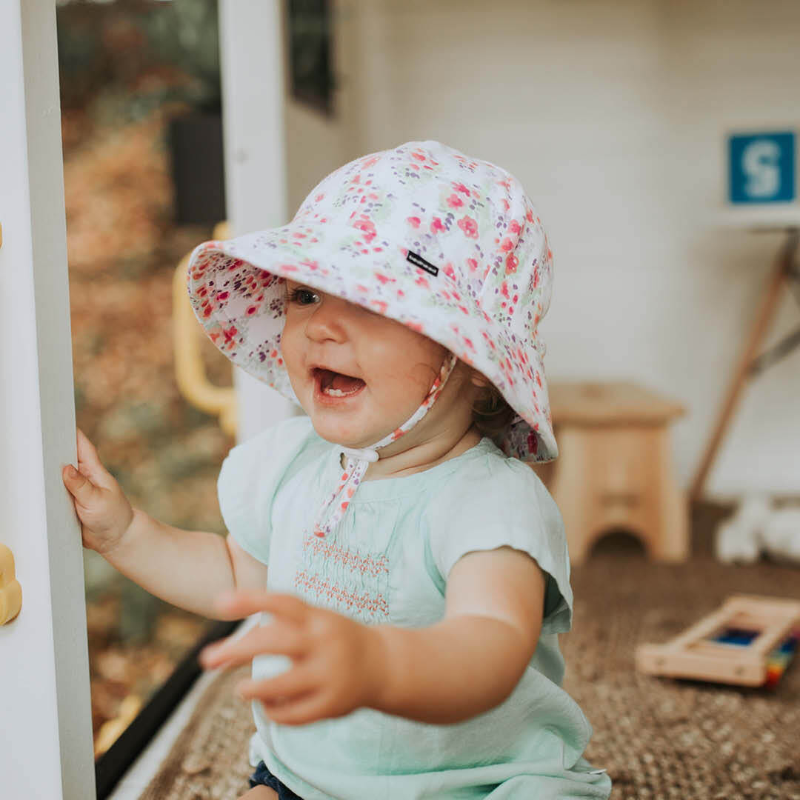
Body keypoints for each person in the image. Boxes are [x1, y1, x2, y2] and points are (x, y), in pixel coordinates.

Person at [63, 140, 611, 799]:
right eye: (304, 294)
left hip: (479, 783)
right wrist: (124, 533)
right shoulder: (294, 467)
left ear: (469, 357)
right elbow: (238, 577)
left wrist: (375, 663)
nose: (321, 327)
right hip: (308, 779)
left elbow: (490, 645)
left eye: (371, 303)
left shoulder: (490, 503)